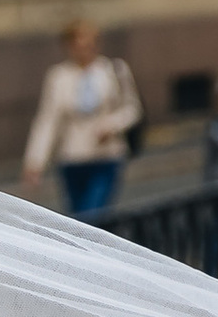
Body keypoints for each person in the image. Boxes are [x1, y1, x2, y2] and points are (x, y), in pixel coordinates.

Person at [19, 19, 141, 221]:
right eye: (78, 46)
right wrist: (35, 161)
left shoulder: (113, 70)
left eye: (89, 45)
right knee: (77, 218)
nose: (84, 51)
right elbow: (47, 120)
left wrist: (112, 125)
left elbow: (132, 109)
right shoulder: (59, 76)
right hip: (72, 158)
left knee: (92, 215)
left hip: (105, 156)